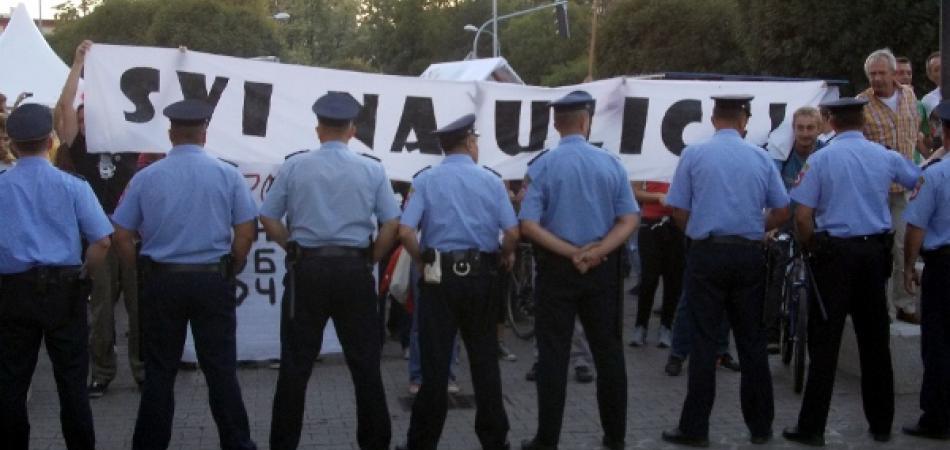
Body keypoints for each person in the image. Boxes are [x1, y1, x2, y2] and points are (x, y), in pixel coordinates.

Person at [111, 99, 258, 450]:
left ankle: (149, 445)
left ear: (170, 134)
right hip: (212, 279)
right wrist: (231, 267)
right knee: (221, 369)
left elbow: (120, 233)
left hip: (163, 281)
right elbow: (245, 231)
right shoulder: (228, 174)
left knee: (160, 371)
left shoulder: (146, 177)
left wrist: (141, 270)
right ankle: (237, 443)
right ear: (204, 134)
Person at [261, 92, 399, 450]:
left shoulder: (294, 166)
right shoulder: (372, 168)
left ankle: (283, 443)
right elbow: (391, 223)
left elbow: (268, 216)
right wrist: (371, 258)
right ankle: (375, 443)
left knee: (295, 366)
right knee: (366, 365)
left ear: (319, 129)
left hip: (307, 269)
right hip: (353, 270)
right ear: (352, 130)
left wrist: (291, 245)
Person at [783, 98, 922, 447]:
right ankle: (881, 423)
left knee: (824, 344)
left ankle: (812, 427)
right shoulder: (884, 155)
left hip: (834, 255)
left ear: (830, 121)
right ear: (862, 121)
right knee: (875, 342)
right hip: (874, 254)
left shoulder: (820, 159)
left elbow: (802, 216)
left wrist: (812, 246)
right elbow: (916, 181)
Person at [661, 95, 789, 447]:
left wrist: (698, 231)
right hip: (748, 253)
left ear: (714, 119)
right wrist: (757, 226)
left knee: (703, 341)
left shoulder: (694, 155)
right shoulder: (761, 157)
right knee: (752, 342)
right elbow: (781, 209)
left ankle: (695, 428)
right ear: (744, 121)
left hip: (708, 252)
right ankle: (761, 427)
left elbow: (677, 209)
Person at [519, 90, 640, 450]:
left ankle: (547, 439)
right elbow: (629, 218)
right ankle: (614, 437)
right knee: (609, 354)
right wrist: (597, 251)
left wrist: (570, 252)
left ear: (557, 124)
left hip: (557, 269)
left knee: (553, 356)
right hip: (602, 270)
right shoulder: (611, 163)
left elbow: (528, 224)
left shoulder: (542, 166)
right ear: (586, 122)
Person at [394, 113, 518, 450]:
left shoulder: (427, 180)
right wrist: (507, 254)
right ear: (470, 142)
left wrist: (421, 261)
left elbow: (405, 230)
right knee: (484, 361)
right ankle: (494, 440)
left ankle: (422, 442)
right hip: (482, 277)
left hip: (439, 279)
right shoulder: (491, 181)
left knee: (434, 365)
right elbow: (512, 231)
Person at [0, 103, 113, 450]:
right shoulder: (73, 185)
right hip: (64, 290)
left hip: (12, 293)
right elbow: (101, 241)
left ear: (13, 145)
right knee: (72, 384)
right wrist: (84, 274)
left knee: (11, 385)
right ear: (50, 140)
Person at [55, 40, 143, 395]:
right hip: (100, 236)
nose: (83, 121)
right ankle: (103, 371)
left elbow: (156, 109)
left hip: (132, 234)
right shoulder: (79, 149)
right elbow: (63, 108)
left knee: (140, 306)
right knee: (102, 308)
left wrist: (175, 65)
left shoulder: (127, 142)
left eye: (89, 116)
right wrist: (77, 64)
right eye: (81, 118)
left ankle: (142, 368)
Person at [856, 48, 922, 324]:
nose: (877, 79)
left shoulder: (909, 95)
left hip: (905, 186)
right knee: (876, 250)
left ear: (894, 73)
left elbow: (915, 129)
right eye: (872, 74)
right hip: (875, 188)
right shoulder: (862, 102)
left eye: (882, 73)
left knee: (903, 247)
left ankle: (904, 303)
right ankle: (878, 306)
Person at [901, 100, 950, 441]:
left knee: (939, 342)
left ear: (943, 132)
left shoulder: (935, 175)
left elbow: (915, 229)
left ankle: (937, 416)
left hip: (944, 268)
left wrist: (908, 266)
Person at [629, 180, 684, 348]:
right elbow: (634, 192)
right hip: (650, 222)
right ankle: (641, 326)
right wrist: (658, 197)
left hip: (678, 222)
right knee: (648, 279)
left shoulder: (680, 160)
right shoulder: (650, 162)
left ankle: (666, 326)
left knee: (673, 279)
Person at [778, 107, 824, 191]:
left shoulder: (827, 154)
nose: (805, 134)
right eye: (800, 128)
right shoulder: (781, 153)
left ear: (819, 129)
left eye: (810, 128)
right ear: (793, 128)